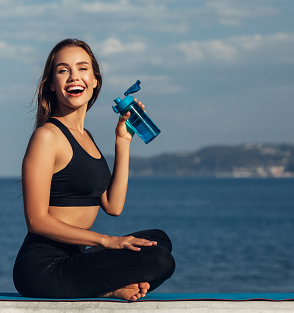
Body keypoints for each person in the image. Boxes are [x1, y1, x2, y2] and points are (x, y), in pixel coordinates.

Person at [13, 39, 175, 301]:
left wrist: (122, 141)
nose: (74, 77)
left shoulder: (85, 137)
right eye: (63, 70)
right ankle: (108, 289)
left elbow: (113, 205)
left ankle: (103, 286)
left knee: (159, 240)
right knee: (159, 261)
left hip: (76, 257)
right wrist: (107, 241)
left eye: (82, 68)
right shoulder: (47, 137)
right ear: (51, 84)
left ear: (95, 79)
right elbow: (36, 220)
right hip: (43, 268)